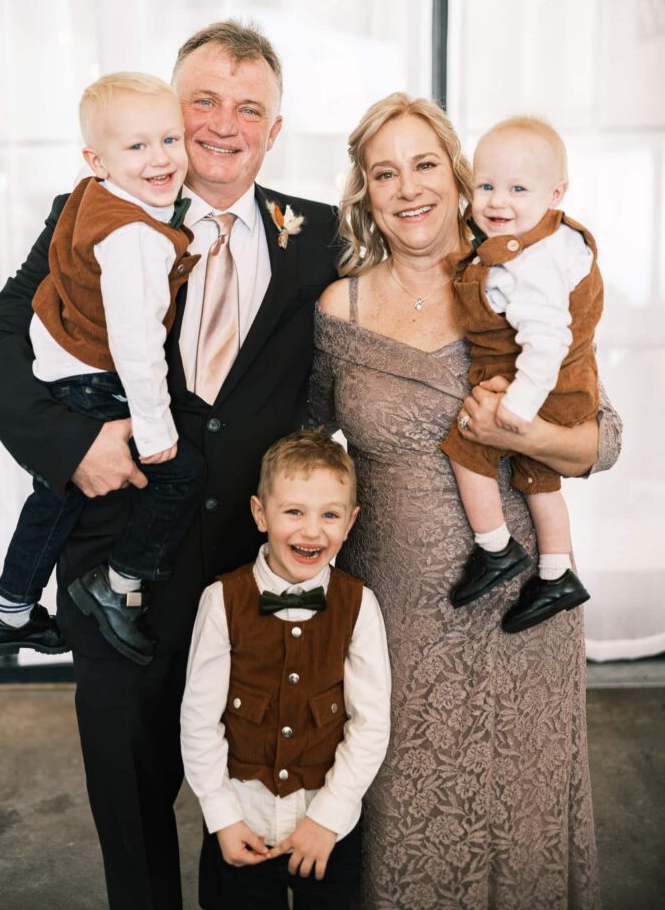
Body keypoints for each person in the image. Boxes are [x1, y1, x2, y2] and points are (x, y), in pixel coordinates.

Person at [0, 20, 340, 910]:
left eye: (249, 108)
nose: (223, 124)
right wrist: (71, 447)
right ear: (171, 106)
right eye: (202, 100)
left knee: (253, 802)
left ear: (276, 129)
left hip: (254, 570)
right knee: (130, 812)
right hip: (113, 564)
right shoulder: (91, 208)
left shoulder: (321, 235)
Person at [311, 93, 621, 910]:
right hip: (397, 619)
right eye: (385, 173)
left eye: (424, 165)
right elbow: (304, 445)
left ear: (457, 177)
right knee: (409, 820)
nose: (408, 188)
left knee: (521, 819)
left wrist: (525, 433)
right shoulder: (338, 308)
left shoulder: (526, 277)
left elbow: (603, 440)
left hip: (525, 613)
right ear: (366, 193)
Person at [0, 72, 204, 666]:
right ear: (96, 160)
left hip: (63, 369)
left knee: (54, 499)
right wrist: (154, 428)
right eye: (137, 146)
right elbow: (136, 342)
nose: (160, 158)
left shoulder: (91, 198)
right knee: (182, 474)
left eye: (170, 139)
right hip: (97, 377)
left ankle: (10, 611)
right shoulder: (136, 236)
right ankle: (119, 581)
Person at [180, 430, 391, 909]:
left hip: (327, 829)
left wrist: (328, 819)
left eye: (329, 515)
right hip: (242, 823)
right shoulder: (221, 601)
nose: (312, 531)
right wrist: (222, 817)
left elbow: (371, 723)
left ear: (350, 522)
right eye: (294, 511)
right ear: (260, 514)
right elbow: (199, 722)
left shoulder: (359, 605)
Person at [440, 117, 602, 633]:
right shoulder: (560, 240)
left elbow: (548, 339)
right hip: (569, 389)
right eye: (485, 186)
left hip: (541, 389)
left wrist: (517, 408)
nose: (497, 202)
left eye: (517, 189)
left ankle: (495, 547)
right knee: (539, 480)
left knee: (467, 446)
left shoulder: (530, 263)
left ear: (555, 193)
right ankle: (557, 573)